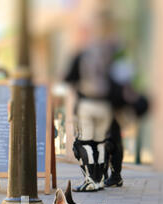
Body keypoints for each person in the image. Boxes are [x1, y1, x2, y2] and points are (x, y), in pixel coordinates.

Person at [64, 8, 149, 192]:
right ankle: (106, 177)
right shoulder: (117, 50)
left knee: (88, 141)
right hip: (109, 102)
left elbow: (71, 77)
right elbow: (128, 76)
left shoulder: (91, 51)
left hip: (94, 101)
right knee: (105, 139)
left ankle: (94, 179)